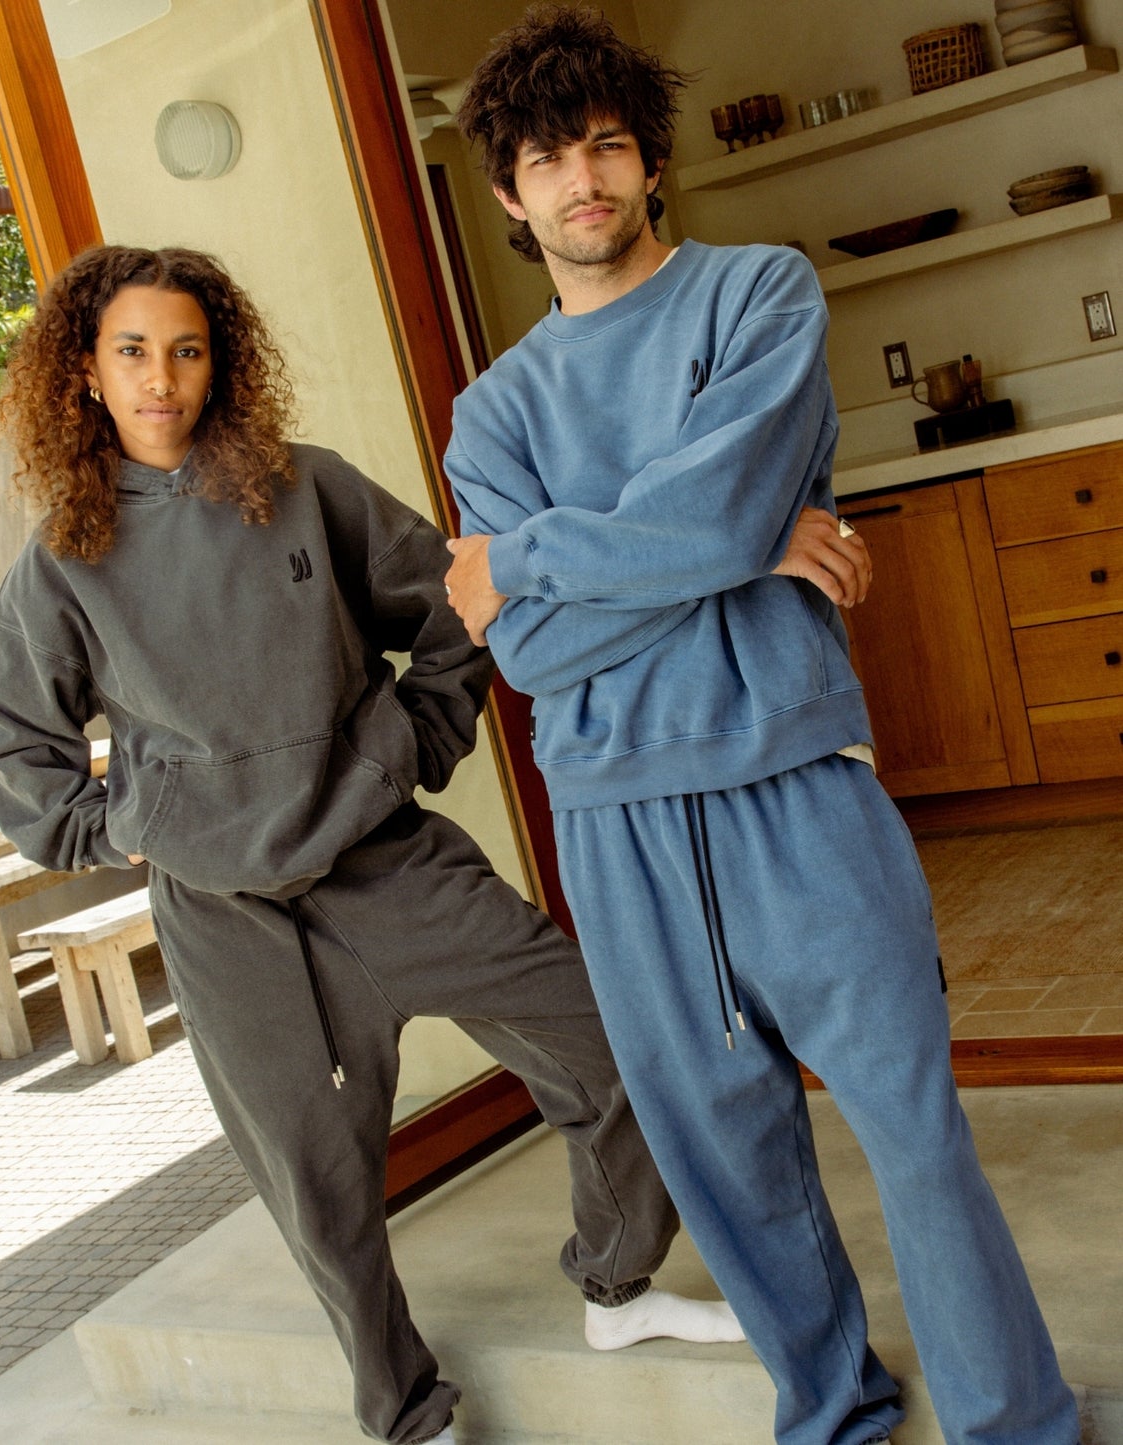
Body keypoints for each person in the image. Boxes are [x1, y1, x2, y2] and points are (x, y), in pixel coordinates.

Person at [0, 243, 878, 1444]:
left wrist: (403, 747)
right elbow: (10, 736)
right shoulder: (64, 558)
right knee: (317, 1177)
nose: (160, 378)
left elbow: (457, 605)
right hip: (229, 922)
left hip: (388, 863)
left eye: (186, 349)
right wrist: (130, 824)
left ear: (216, 362)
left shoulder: (303, 488)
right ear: (82, 370)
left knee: (613, 1048)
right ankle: (404, 1408)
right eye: (131, 351)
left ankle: (615, 1283)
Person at [441, 9, 1079, 1445]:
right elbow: (534, 658)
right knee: (727, 1161)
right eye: (547, 160)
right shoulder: (492, 410)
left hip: (795, 784)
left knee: (913, 1132)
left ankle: (1014, 1422)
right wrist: (721, 547)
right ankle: (831, 1414)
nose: (581, 180)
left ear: (651, 163)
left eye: (606, 146)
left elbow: (605, 565)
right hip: (616, 820)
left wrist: (534, 556)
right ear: (507, 194)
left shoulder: (756, 297)